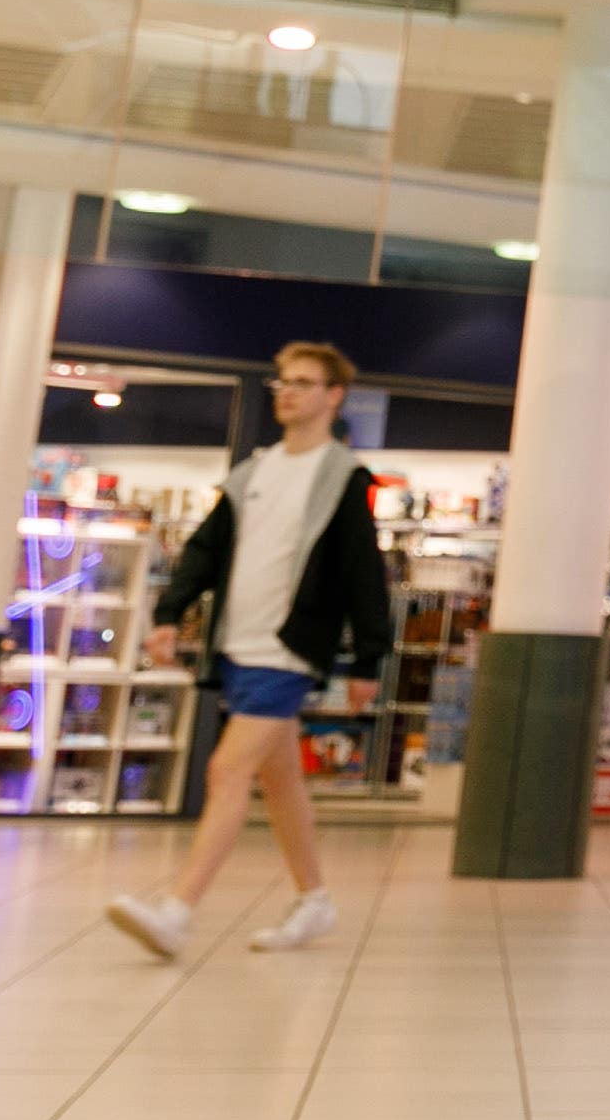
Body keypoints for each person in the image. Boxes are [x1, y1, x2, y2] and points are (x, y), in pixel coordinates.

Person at [107, 341, 399, 962]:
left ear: (333, 396)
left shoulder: (341, 478)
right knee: (279, 775)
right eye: (281, 383)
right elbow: (206, 552)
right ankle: (313, 898)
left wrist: (368, 658)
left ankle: (177, 912)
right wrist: (168, 614)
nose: (287, 392)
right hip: (237, 644)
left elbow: (361, 574)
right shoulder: (253, 473)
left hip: (289, 649)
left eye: (303, 382)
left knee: (227, 770)